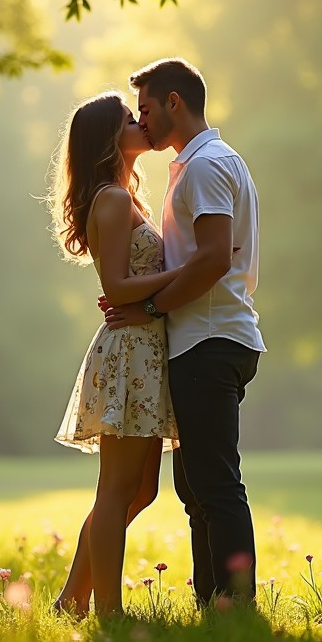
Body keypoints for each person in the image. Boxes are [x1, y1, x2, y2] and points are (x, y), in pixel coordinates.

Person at [102, 58, 265, 607]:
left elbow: (214, 258)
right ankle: (212, 600)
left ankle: (235, 605)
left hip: (211, 338)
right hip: (206, 337)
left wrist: (151, 306)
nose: (141, 121)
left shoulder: (206, 165)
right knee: (196, 485)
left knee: (214, 484)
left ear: (175, 103)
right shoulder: (197, 165)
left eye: (146, 109)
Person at [47, 91, 181, 617]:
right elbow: (118, 287)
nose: (141, 124)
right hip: (130, 351)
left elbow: (130, 288)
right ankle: (106, 611)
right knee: (116, 489)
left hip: (144, 347)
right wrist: (191, 278)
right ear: (110, 136)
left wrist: (156, 301)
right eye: (131, 120)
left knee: (141, 489)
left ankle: (69, 600)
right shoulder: (112, 199)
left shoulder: (126, 196)